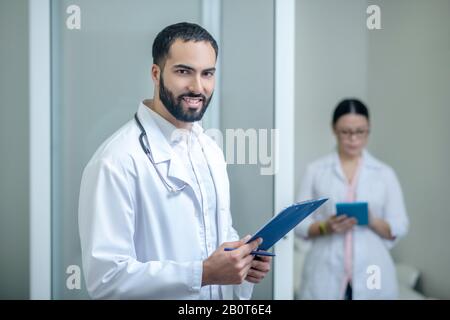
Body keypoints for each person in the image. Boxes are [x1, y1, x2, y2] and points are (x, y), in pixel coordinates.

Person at [78, 22, 271, 299]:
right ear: (156, 74)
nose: (197, 87)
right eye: (184, 72)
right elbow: (105, 281)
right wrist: (202, 273)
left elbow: (219, 238)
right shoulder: (116, 161)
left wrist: (242, 265)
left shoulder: (210, 150)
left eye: (208, 74)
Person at [295, 99, 409, 299]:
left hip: (372, 270)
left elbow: (399, 225)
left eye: (360, 132)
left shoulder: (384, 173)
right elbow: (298, 224)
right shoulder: (315, 171)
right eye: (346, 132)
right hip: (324, 270)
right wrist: (325, 227)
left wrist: (372, 220)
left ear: (368, 129)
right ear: (334, 129)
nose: (353, 139)